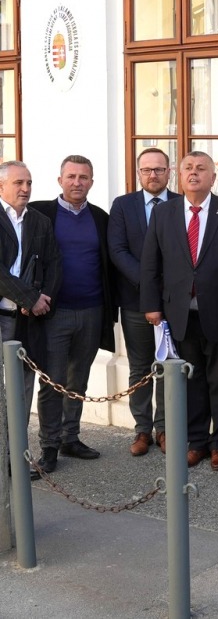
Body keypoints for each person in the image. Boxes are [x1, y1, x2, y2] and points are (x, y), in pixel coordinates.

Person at [140, 151, 218, 471]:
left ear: (213, 177)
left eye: (202, 168)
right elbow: (150, 263)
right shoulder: (164, 213)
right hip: (179, 313)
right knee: (192, 381)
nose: (194, 173)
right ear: (179, 174)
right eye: (188, 168)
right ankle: (197, 441)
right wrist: (152, 305)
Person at [31, 155, 115, 474]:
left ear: (91, 182)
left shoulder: (100, 218)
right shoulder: (41, 213)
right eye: (71, 176)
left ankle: (70, 437)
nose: (77, 182)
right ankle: (49, 446)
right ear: (60, 180)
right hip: (55, 313)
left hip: (92, 310)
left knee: (78, 379)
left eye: (83, 177)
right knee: (52, 382)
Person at [108, 147, 179, 456]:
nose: (153, 175)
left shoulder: (181, 203)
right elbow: (117, 250)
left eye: (159, 169)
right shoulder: (123, 206)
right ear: (138, 173)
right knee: (140, 367)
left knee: (168, 365)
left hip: (173, 301)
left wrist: (167, 288)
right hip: (135, 301)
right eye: (147, 170)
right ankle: (142, 430)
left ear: (169, 172)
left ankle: (164, 428)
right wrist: (149, 285)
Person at [0, 161, 61, 480]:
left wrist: (41, 299)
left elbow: (54, 263)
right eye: (18, 183)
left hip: (26, 320)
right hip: (3, 314)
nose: (25, 189)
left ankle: (15, 457)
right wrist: (29, 297)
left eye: (29, 183)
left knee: (22, 390)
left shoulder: (39, 220)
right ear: (1, 186)